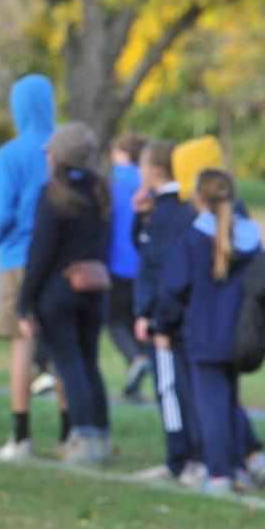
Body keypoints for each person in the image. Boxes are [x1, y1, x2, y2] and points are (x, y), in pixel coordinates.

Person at [160, 170, 260, 493]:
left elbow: (175, 288)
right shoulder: (250, 238)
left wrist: (164, 325)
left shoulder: (193, 239)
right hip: (240, 334)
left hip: (203, 334)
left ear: (198, 198)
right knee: (231, 401)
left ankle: (218, 473)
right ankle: (238, 467)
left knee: (211, 405)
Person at [18, 123, 113, 463]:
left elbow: (41, 253)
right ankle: (100, 434)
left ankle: (83, 436)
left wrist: (24, 300)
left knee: (69, 365)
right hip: (95, 287)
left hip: (59, 291)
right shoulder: (101, 192)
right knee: (89, 363)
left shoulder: (53, 196)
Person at [0, 74, 57, 461]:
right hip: (61, 261)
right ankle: (71, 432)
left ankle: (22, 435)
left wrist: (5, 235)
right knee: (63, 345)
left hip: (18, 257)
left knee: (22, 345)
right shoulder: (64, 145)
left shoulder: (11, 154)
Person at [130, 139, 204, 483]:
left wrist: (151, 314)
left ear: (156, 170)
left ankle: (181, 456)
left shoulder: (169, 211)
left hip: (166, 315)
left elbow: (157, 266)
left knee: (171, 388)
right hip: (179, 311)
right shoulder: (164, 209)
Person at [108, 132, 148, 401]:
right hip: (142, 262)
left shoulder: (111, 181)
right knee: (138, 321)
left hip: (115, 260)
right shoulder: (146, 182)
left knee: (113, 321)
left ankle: (136, 358)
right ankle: (139, 368)